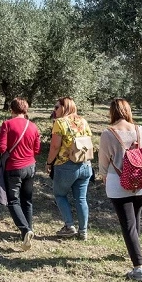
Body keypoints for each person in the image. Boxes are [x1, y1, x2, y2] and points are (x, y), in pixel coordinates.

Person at [98, 98, 142, 282]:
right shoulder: (140, 130)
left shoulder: (108, 133)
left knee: (128, 224)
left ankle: (138, 267)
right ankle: (135, 251)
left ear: (112, 112)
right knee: (134, 221)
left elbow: (103, 161)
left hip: (118, 184)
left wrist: (103, 176)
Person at [44, 96, 93, 240]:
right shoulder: (83, 121)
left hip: (66, 165)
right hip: (85, 164)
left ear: (65, 108)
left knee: (60, 195)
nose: (55, 110)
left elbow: (55, 146)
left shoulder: (60, 123)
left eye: (57, 107)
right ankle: (83, 231)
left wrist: (49, 163)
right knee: (81, 198)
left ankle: (69, 226)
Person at [0, 97, 41, 251]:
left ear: (12, 109)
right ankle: (28, 231)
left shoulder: (7, 124)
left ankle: (25, 229)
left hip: (14, 167)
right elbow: (37, 150)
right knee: (27, 200)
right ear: (26, 109)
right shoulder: (33, 126)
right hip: (30, 167)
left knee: (13, 201)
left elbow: (2, 148)